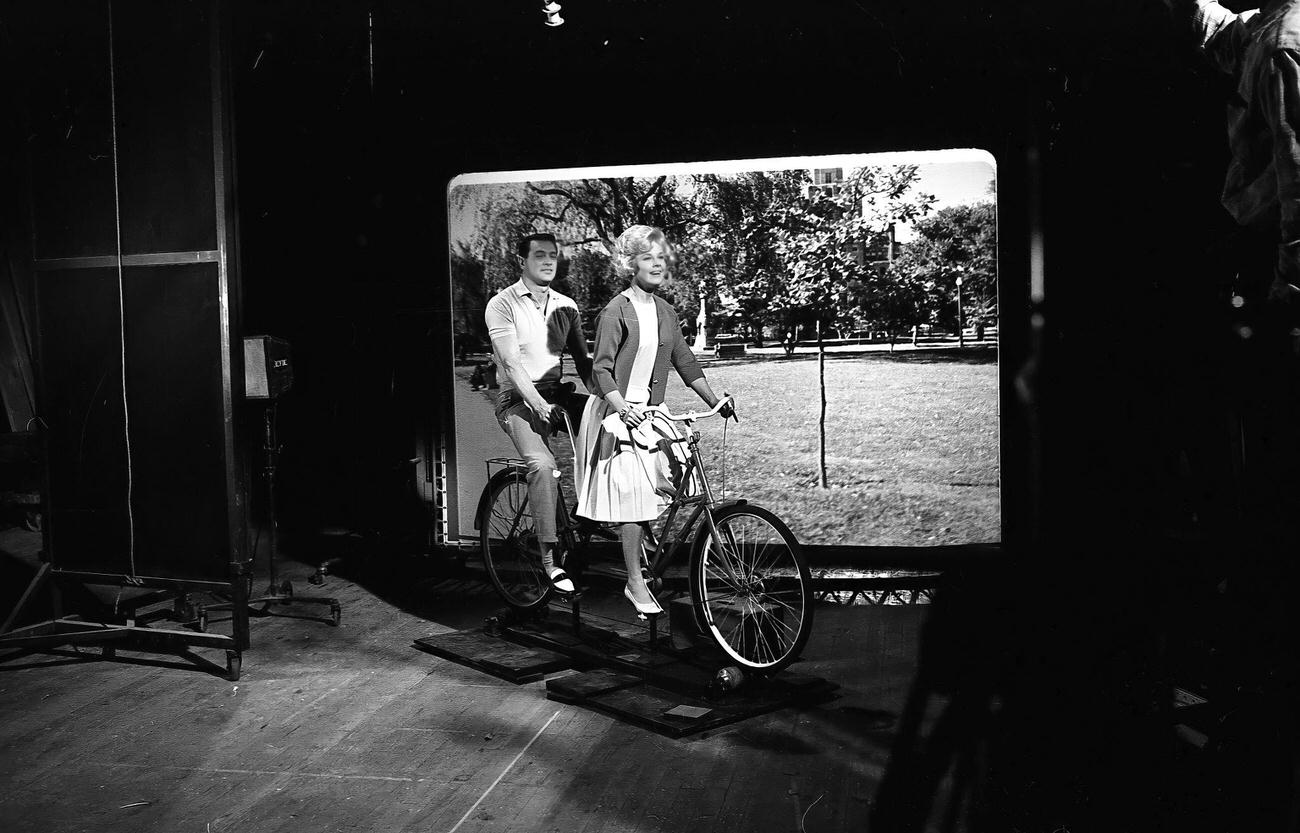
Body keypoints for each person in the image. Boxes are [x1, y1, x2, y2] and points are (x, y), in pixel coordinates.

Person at [574, 225, 734, 615]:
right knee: (632, 494)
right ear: (630, 264)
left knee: (679, 480)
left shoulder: (666, 311)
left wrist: (716, 400)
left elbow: (685, 360)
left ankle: (644, 546)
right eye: (648, 257)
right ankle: (633, 581)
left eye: (661, 257)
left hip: (651, 413)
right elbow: (602, 370)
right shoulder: (615, 311)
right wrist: (622, 407)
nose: (658, 263)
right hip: (615, 411)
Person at [484, 232, 592, 594]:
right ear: (522, 261)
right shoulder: (502, 304)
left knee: (614, 435)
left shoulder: (567, 305)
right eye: (539, 256)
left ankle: (597, 514)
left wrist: (613, 400)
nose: (548, 262)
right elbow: (512, 363)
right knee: (543, 465)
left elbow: (583, 362)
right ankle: (549, 559)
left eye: (553, 256)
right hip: (517, 398)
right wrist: (537, 403)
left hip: (556, 394)